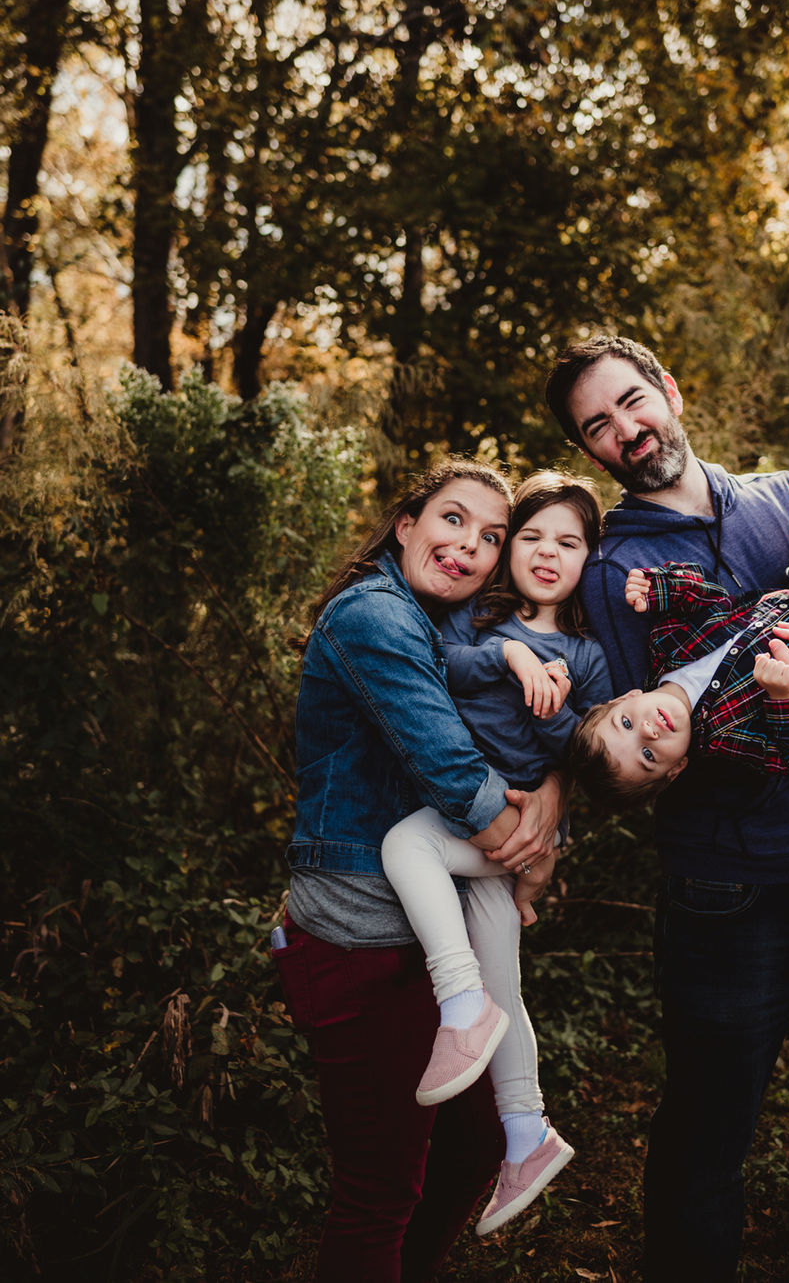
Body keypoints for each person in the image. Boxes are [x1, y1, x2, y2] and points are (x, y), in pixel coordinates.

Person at [544, 334, 789, 1282]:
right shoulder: (615, 572)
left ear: (668, 390)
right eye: (599, 425)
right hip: (730, 896)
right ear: (590, 451)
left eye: (633, 401)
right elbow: (658, 753)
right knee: (703, 1156)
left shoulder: (778, 497)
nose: (627, 430)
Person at [274, 459, 563, 1283]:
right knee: (377, 1192)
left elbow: (542, 738)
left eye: (489, 537)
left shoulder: (458, 629)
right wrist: (531, 850)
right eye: (451, 520)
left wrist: (553, 787)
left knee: (471, 1147)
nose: (468, 545)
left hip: (433, 948)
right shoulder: (373, 617)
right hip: (360, 939)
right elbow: (452, 773)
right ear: (406, 524)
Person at [380, 471, 613, 1236]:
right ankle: (525, 1132)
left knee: (404, 845)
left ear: (587, 560)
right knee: (505, 979)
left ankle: (458, 1003)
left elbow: (585, 753)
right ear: (507, 548)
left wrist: (547, 705)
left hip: (509, 824)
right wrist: (513, 663)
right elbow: (439, 672)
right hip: (473, 817)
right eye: (531, 536)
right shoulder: (474, 621)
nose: (547, 553)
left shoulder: (586, 655)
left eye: (568, 543)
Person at [569, 508, 789, 803]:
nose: (647, 732)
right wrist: (783, 696)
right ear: (675, 771)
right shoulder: (725, 737)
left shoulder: (666, 644)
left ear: (625, 698)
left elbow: (712, 598)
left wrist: (661, 586)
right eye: (647, 757)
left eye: (626, 723)